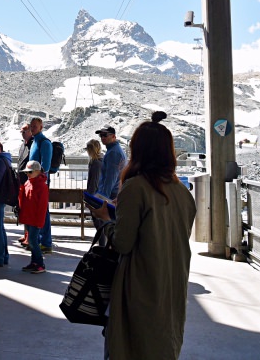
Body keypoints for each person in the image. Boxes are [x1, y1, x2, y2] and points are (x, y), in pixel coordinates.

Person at [91, 111, 196, 360]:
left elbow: (122, 243)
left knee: (131, 345)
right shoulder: (182, 192)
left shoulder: (135, 187)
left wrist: (107, 219)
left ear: (137, 151)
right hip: (172, 282)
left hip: (139, 283)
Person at [94, 124, 127, 245]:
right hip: (113, 197)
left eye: (105, 135)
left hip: (110, 199)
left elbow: (110, 179)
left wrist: (102, 200)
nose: (102, 138)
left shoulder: (114, 153)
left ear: (113, 136)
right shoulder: (114, 151)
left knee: (108, 229)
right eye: (101, 135)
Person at [17, 160, 48, 274]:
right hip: (28, 217)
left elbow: (42, 206)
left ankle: (40, 263)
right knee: (30, 241)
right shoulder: (28, 183)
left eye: (30, 172)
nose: (28, 174)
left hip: (35, 219)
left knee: (33, 241)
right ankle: (34, 262)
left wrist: (39, 221)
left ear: (37, 171)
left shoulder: (42, 186)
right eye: (26, 172)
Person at [28, 117, 53, 253]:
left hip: (40, 182)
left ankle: (46, 241)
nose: (32, 128)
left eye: (35, 126)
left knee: (43, 211)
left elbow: (46, 166)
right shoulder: (35, 141)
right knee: (37, 211)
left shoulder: (44, 143)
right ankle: (36, 240)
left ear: (41, 127)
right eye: (31, 126)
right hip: (33, 181)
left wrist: (38, 179)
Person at [17, 124, 34, 247]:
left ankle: (30, 237)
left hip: (28, 182)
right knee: (23, 210)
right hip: (22, 182)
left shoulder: (33, 144)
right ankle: (26, 234)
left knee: (29, 211)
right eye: (21, 131)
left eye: (25, 131)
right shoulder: (23, 145)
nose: (23, 133)